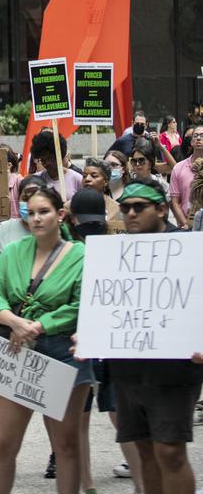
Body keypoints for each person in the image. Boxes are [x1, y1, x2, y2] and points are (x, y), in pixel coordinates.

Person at [0, 184, 94, 494]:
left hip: (63, 351)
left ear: (60, 215)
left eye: (43, 212)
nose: (36, 219)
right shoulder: (15, 252)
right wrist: (13, 321)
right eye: (31, 213)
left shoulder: (81, 255)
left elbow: (80, 303)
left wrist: (41, 325)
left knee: (66, 445)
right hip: (17, 347)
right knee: (1, 443)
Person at [105, 181, 203, 494]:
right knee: (144, 450)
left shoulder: (186, 247)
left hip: (173, 370)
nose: (130, 214)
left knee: (170, 451)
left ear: (161, 209)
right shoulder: (115, 252)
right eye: (125, 208)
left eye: (139, 207)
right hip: (127, 367)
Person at [67, 189, 144, 494]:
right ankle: (136, 484)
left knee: (112, 419)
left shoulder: (72, 252)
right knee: (116, 420)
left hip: (102, 345)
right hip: (91, 345)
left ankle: (93, 485)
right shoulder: (106, 248)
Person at [31, 128, 83, 199]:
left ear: (59, 155)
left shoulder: (77, 179)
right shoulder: (35, 179)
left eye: (50, 158)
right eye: (42, 160)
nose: (46, 163)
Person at [170, 124, 203, 229]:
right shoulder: (178, 168)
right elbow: (174, 202)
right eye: (196, 135)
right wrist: (185, 224)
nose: (198, 138)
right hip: (187, 226)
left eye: (202, 135)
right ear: (191, 142)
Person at [75, 157, 121, 222]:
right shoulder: (69, 207)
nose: (87, 179)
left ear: (105, 181)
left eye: (94, 176)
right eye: (84, 176)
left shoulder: (116, 209)